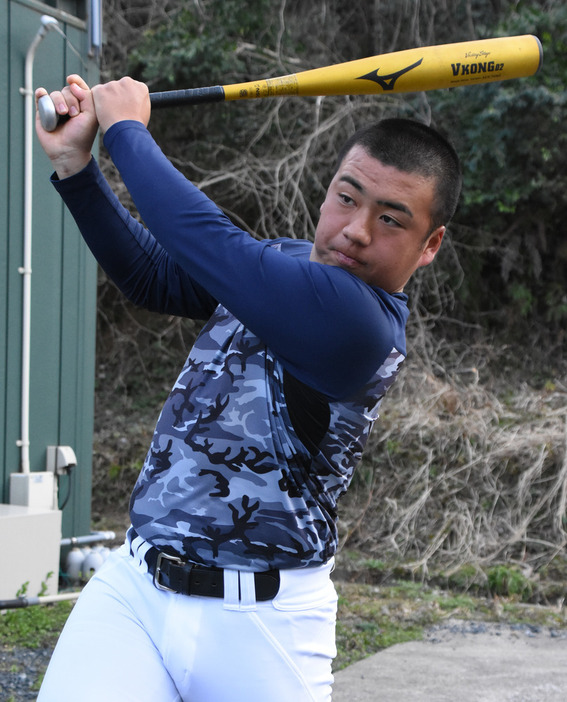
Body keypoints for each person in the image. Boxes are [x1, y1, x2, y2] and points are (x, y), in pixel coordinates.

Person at [35, 75, 461, 702]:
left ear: (430, 246)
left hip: (263, 626)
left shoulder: (362, 326)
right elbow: (157, 276)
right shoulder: (283, 261)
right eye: (348, 198)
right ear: (327, 193)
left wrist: (125, 129)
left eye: (391, 219)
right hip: (137, 588)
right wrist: (77, 167)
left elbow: (211, 245)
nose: (356, 230)